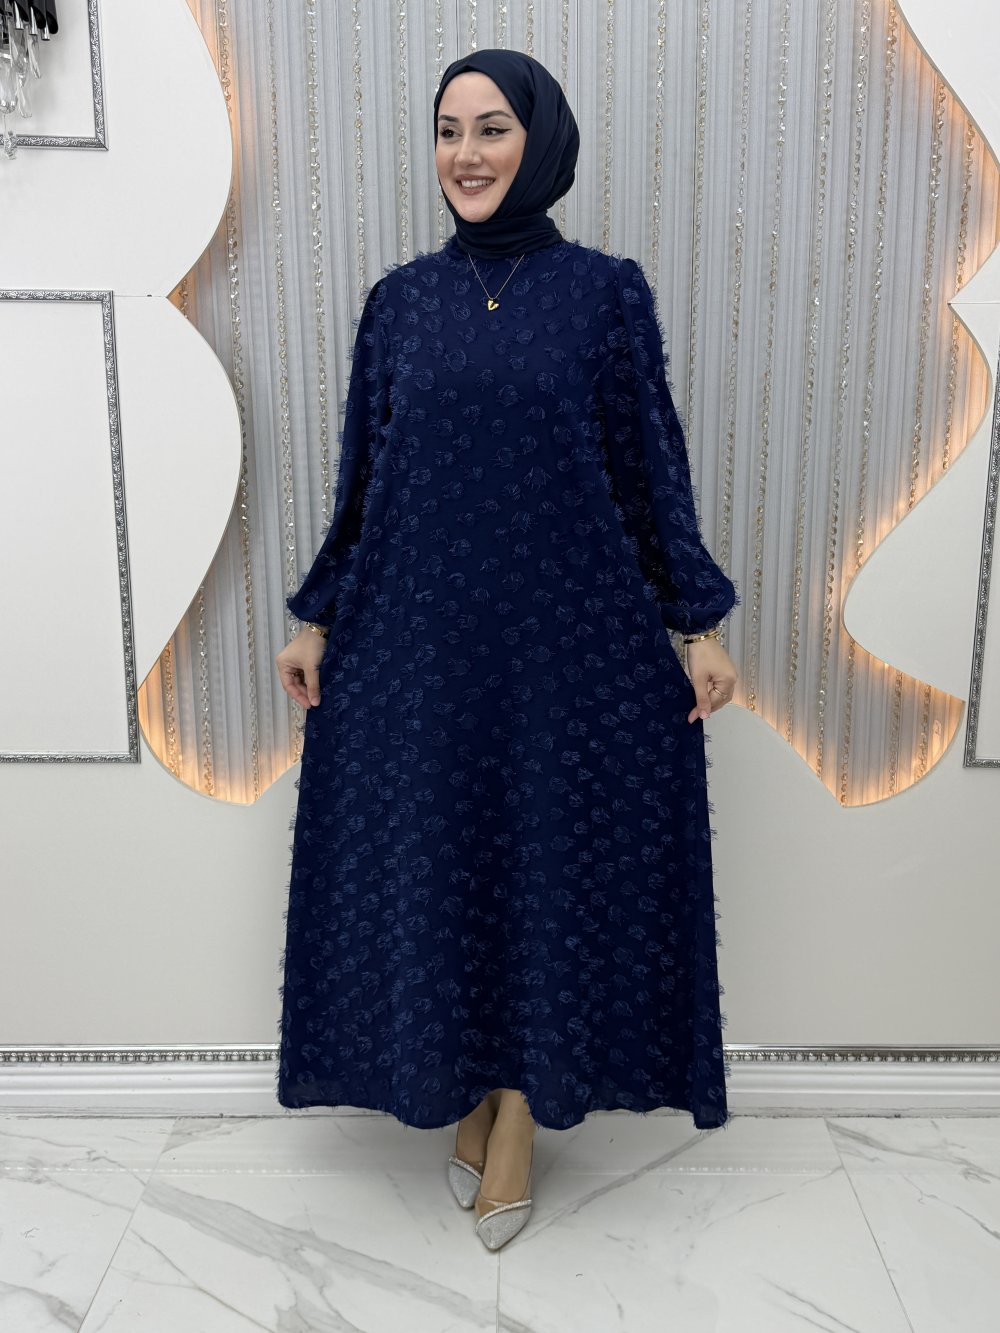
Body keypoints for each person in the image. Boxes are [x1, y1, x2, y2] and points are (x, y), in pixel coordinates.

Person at [275, 48, 739, 1251]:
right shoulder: (401, 303)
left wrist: (695, 623)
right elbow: (364, 482)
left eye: (491, 128)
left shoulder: (603, 295)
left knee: (542, 868)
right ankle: (475, 1087)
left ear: (540, 142)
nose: (466, 153)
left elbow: (648, 469)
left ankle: (521, 1112)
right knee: (453, 863)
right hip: (423, 647)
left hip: (564, 646)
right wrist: (318, 613)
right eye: (448, 130)